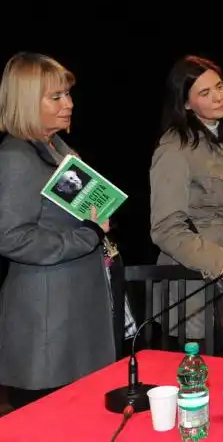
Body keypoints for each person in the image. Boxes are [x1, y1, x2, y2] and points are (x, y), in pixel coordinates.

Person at [0, 52, 115, 408]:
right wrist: (88, 236)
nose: (70, 103)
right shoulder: (16, 158)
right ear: (27, 101)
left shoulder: (57, 149)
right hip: (47, 326)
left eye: (67, 94)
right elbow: (11, 237)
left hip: (74, 315)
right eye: (57, 97)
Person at [149, 55, 223, 350]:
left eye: (220, 86)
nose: (218, 97)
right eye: (204, 93)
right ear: (186, 104)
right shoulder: (174, 149)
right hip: (195, 288)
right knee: (199, 380)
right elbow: (165, 229)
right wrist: (220, 261)